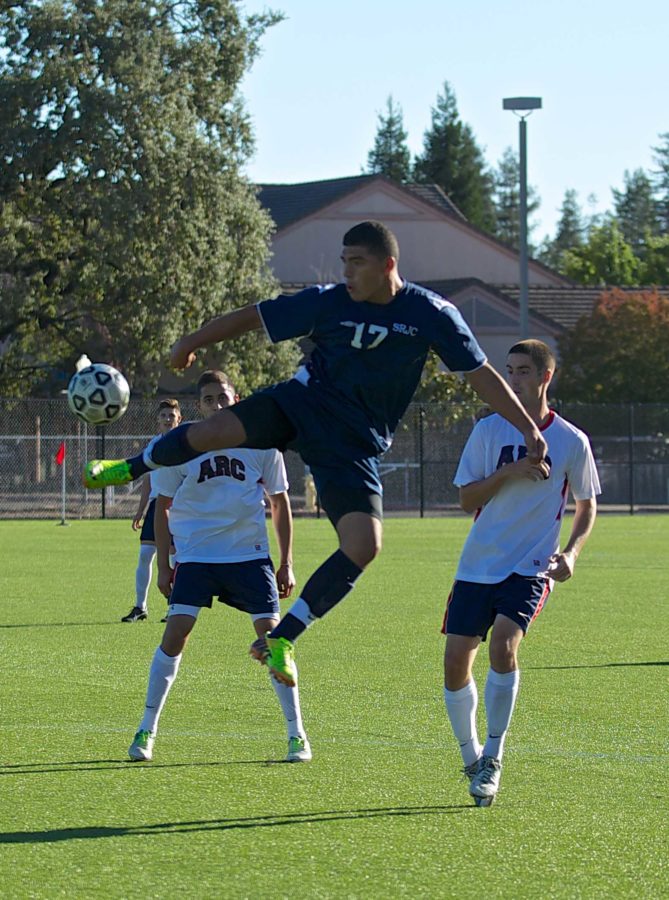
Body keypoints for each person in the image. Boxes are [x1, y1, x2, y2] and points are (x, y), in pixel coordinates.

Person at [85, 220, 548, 688]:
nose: (346, 271)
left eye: (357, 262)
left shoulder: (432, 313)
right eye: (343, 261)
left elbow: (481, 373)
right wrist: (192, 342)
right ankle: (129, 466)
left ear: (388, 265)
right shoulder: (330, 300)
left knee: (365, 545)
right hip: (301, 405)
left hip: (351, 444)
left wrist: (528, 427)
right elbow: (256, 315)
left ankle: (283, 638)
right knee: (214, 430)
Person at [442, 339, 600, 806]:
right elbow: (466, 500)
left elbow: (587, 503)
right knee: (454, 666)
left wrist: (571, 552)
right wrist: (509, 472)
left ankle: (493, 754)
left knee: (504, 644)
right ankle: (470, 756)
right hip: (478, 564)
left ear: (545, 377)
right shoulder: (488, 430)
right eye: (509, 371)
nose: (514, 380)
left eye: (523, 371)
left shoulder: (572, 440)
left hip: (530, 567)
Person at [128, 370, 311, 764]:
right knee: (176, 634)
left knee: (275, 641)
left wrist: (286, 563)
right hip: (196, 556)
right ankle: (147, 728)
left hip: (248, 553)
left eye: (223, 398)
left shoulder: (262, 442)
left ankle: (297, 734)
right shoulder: (180, 444)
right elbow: (163, 508)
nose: (217, 405)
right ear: (200, 405)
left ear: (237, 398)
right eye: (209, 399)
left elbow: (279, 504)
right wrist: (164, 566)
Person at [122, 398, 182, 623]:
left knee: (176, 558)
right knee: (145, 555)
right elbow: (148, 480)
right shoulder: (153, 446)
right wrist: (141, 510)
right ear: (158, 420)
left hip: (178, 505)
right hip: (157, 506)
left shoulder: (185, 445)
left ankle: (174, 607)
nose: (168, 419)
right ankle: (140, 607)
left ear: (179, 419)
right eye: (164, 416)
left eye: (171, 416)